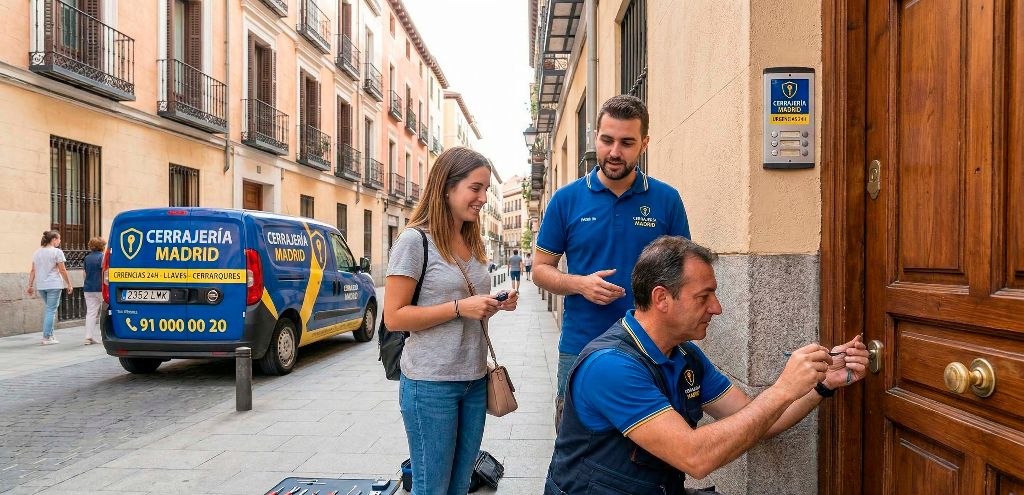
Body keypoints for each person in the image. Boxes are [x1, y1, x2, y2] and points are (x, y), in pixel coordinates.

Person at [544, 236, 868, 494]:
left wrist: (823, 384)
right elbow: (694, 457)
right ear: (661, 299)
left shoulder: (686, 357)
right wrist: (783, 388)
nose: (717, 308)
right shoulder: (610, 367)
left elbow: (761, 420)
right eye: (704, 296)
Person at [533, 94, 691, 427]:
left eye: (626, 142)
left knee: (649, 452)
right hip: (581, 345)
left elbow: (684, 274)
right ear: (595, 138)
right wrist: (580, 284)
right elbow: (540, 270)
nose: (614, 152)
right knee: (574, 443)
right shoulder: (566, 200)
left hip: (651, 347)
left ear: (644, 144)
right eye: (607, 140)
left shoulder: (667, 200)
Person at [383, 146, 520, 495]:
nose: (484, 198)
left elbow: (467, 305)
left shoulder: (471, 241)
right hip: (431, 385)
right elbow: (395, 317)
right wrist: (461, 307)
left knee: (460, 486)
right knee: (432, 488)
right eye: (476, 188)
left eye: (486, 189)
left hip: (474, 380)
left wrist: (494, 305)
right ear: (447, 187)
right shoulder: (414, 241)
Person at [26, 230, 73, 345]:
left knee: (49, 310)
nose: (60, 241)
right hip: (54, 284)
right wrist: (69, 284)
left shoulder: (37, 252)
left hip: (41, 285)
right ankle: (46, 337)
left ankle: (50, 336)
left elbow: (33, 270)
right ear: (53, 240)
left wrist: (30, 285)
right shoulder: (57, 252)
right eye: (59, 239)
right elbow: (62, 270)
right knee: (51, 310)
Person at [83, 237, 106, 345]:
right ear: (102, 246)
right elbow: (105, 273)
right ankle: (105, 336)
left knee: (91, 313)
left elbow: (85, 274)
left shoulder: (87, 258)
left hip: (88, 288)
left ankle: (88, 337)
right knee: (105, 312)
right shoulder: (103, 257)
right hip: (101, 288)